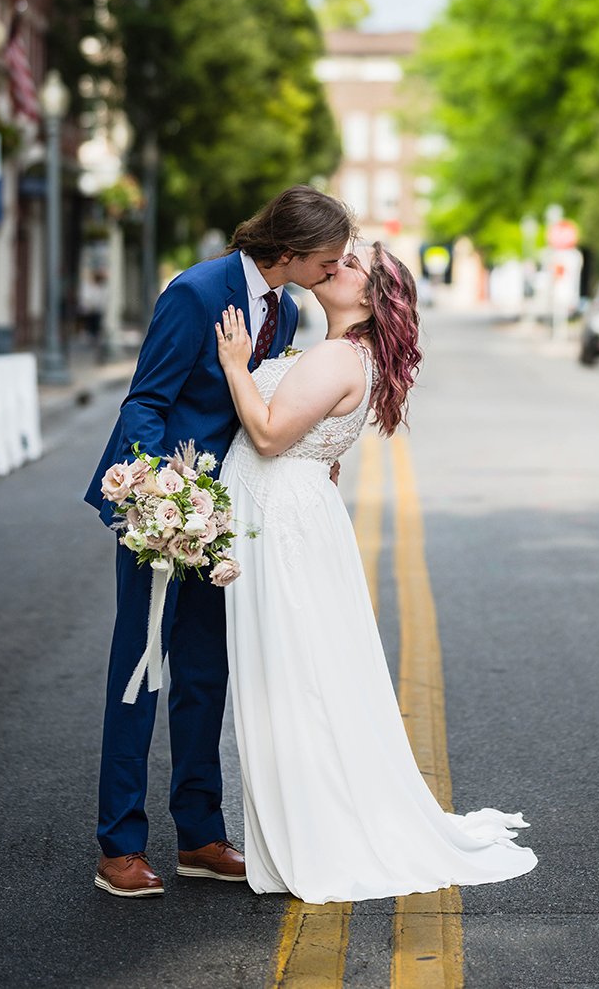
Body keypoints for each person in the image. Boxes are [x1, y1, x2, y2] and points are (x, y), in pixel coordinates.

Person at [215, 241, 537, 903]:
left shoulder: (338, 355)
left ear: (370, 299)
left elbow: (272, 435)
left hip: (283, 523)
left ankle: (313, 828)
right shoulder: (341, 353)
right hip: (293, 515)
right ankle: (304, 818)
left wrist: (234, 366)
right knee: (307, 672)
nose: (338, 264)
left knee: (292, 677)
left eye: (354, 264)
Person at [84, 186, 354, 898]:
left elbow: (256, 409)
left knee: (206, 674)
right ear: (291, 252)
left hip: (225, 516)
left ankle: (200, 835)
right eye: (330, 258)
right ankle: (120, 845)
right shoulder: (197, 291)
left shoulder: (287, 309)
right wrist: (153, 498)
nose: (338, 268)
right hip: (162, 508)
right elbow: (146, 399)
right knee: (140, 673)